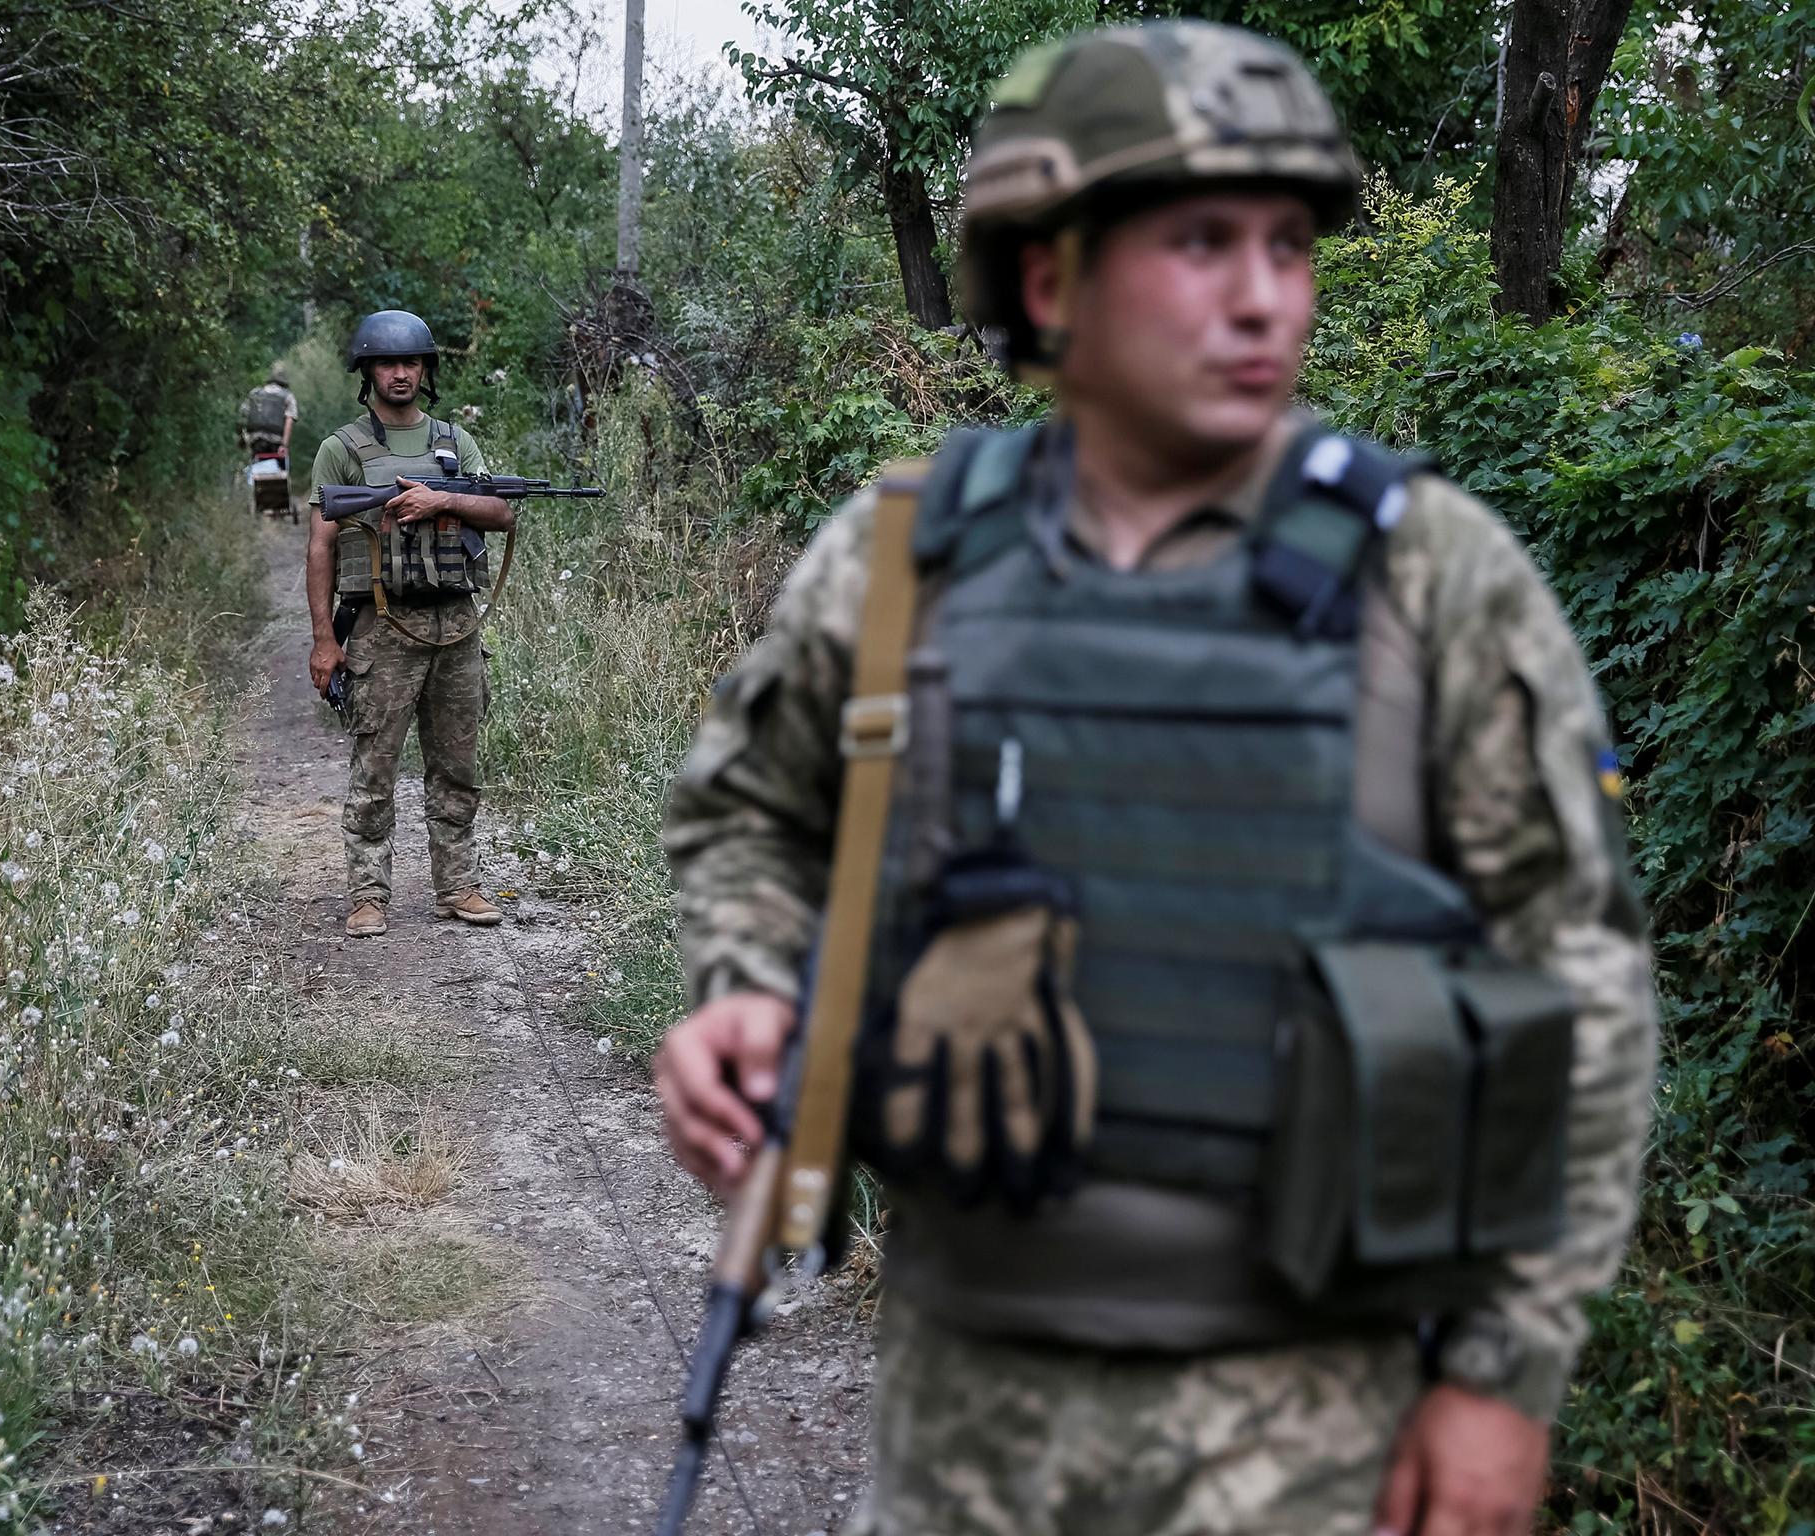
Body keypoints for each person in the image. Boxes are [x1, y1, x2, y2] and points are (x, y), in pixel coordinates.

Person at [654, 22, 1658, 1536]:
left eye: (1288, 245)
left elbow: (1582, 982)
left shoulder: (1430, 577)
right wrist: (746, 982)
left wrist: (1503, 1381)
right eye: (1202, 243)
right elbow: (751, 814)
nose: (1266, 294)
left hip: (1309, 1427)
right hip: (959, 1413)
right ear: (1052, 280)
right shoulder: (906, 551)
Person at [304, 310, 515, 938]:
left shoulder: (455, 442)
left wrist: (442, 499)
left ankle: (458, 886)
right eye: (389, 363)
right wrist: (324, 640)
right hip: (382, 626)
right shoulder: (341, 450)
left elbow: (500, 511)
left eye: (412, 363)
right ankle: (367, 894)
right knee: (375, 766)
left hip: (455, 626)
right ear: (367, 371)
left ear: (426, 372)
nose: (401, 373)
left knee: (457, 765)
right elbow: (319, 547)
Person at [239, 361, 299, 465]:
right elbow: (289, 421)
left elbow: (243, 415)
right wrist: (284, 445)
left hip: (256, 440)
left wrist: (243, 439)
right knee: (278, 473)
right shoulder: (288, 396)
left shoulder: (255, 393)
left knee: (257, 470)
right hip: (276, 442)